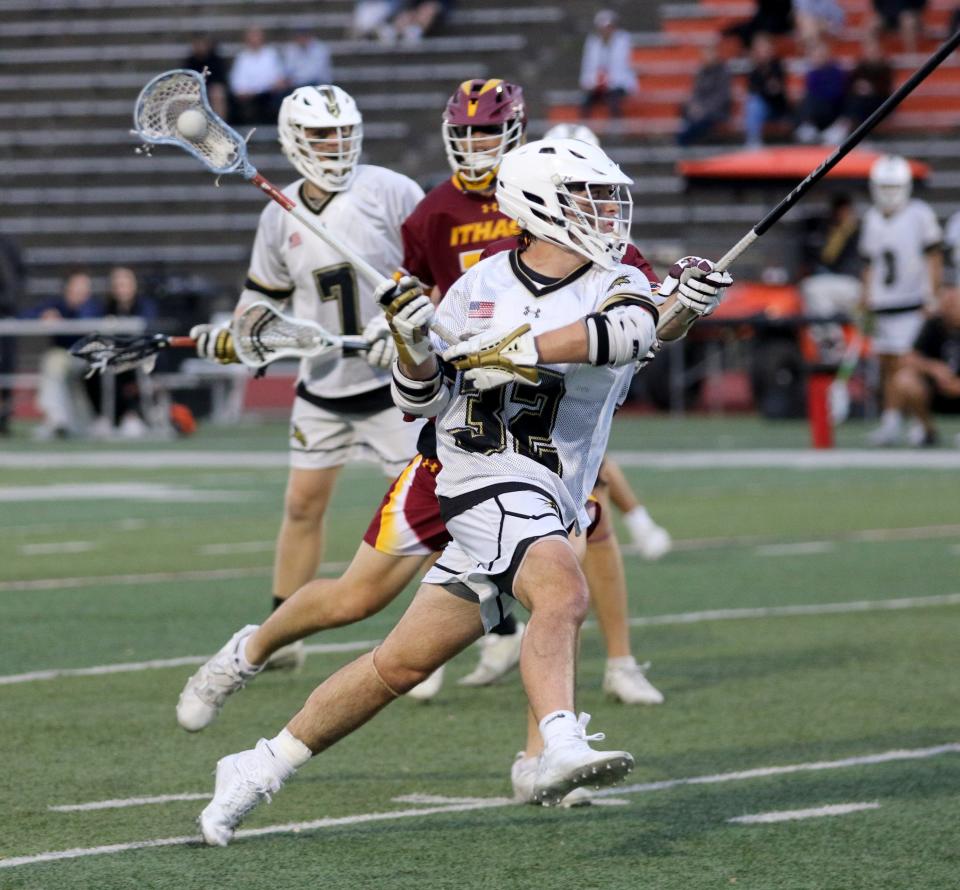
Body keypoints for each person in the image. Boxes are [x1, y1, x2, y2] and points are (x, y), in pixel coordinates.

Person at [195, 137, 733, 846]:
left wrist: (682, 310)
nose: (608, 213)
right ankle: (556, 747)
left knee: (400, 663)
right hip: (480, 475)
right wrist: (415, 341)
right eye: (589, 198)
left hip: (551, 486)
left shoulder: (617, 277)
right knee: (565, 593)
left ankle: (258, 764)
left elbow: (634, 334)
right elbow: (420, 397)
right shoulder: (479, 286)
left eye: (609, 198)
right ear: (540, 207)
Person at [190, 84, 425, 668]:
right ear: (296, 139)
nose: (336, 144)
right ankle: (282, 634)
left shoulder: (392, 191)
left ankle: (480, 633)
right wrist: (235, 334)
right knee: (301, 504)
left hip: (397, 386)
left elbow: (436, 278)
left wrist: (401, 331)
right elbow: (261, 300)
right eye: (323, 134)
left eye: (343, 132)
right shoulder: (278, 214)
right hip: (323, 383)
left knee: (428, 516)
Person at [859, 155, 943, 446]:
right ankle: (891, 421)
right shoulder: (871, 217)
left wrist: (933, 295)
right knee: (887, 366)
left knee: (908, 367)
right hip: (883, 305)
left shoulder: (919, 213)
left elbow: (933, 256)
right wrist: (866, 297)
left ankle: (921, 424)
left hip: (912, 304)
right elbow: (870, 264)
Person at [26, 269, 105, 439]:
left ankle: (98, 420)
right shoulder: (56, 304)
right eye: (76, 287)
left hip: (89, 360)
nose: (80, 292)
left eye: (84, 288)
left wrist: (73, 312)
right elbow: (26, 316)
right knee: (53, 360)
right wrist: (44, 316)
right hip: (64, 358)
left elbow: (87, 325)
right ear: (67, 288)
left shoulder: (93, 306)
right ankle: (56, 419)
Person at [884, 282, 960, 446]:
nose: (949, 308)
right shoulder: (934, 324)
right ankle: (926, 429)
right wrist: (934, 369)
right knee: (904, 378)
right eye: (946, 302)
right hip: (939, 389)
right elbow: (907, 357)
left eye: (954, 303)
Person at [103, 266, 158, 437]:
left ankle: (133, 416)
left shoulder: (144, 305)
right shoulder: (107, 307)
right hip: (115, 359)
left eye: (125, 284)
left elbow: (146, 331)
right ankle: (107, 418)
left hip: (143, 358)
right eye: (117, 285)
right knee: (95, 370)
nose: (121, 289)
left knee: (130, 369)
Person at [822, 34, 893, 144]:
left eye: (873, 49)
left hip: (879, 100)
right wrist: (858, 86)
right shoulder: (861, 66)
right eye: (868, 49)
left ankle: (845, 126)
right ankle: (847, 125)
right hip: (861, 100)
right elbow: (851, 83)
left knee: (860, 102)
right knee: (855, 99)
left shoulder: (885, 67)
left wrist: (871, 89)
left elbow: (886, 89)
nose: (871, 52)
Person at [579, 9, 638, 119]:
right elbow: (588, 66)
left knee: (613, 101)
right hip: (598, 84)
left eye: (608, 27)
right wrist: (590, 82)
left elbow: (622, 67)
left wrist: (608, 82)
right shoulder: (593, 43)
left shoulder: (623, 41)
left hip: (618, 84)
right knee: (585, 102)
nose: (606, 31)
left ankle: (616, 132)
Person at [676, 38, 732, 147]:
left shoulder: (723, 72)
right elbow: (695, 92)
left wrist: (704, 109)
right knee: (684, 110)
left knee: (689, 131)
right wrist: (694, 106)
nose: (706, 57)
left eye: (709, 54)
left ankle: (684, 147)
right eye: (704, 54)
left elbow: (722, 97)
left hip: (715, 112)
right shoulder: (701, 71)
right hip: (700, 111)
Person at [227, 26, 286, 125]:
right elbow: (237, 83)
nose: (254, 40)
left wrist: (261, 88)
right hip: (248, 98)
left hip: (268, 95)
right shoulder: (242, 57)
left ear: (262, 38)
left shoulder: (271, 55)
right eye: (252, 37)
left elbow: (278, 80)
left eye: (257, 37)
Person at [793, 39, 847, 144]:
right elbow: (811, 89)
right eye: (816, 54)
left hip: (832, 110)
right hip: (815, 111)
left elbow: (837, 93)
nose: (819, 57)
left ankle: (818, 129)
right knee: (806, 98)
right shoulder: (812, 73)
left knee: (811, 98)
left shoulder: (837, 71)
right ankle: (808, 127)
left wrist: (820, 93)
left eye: (821, 54)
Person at [743, 32, 791, 148]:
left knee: (755, 104)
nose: (762, 50)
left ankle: (753, 140)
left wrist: (766, 87)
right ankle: (753, 140)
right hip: (762, 107)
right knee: (754, 104)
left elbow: (776, 91)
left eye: (764, 47)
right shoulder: (755, 69)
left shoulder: (777, 65)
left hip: (776, 107)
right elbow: (754, 90)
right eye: (759, 47)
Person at [0, 233, 25, 435]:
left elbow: (20, 277)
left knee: (7, 366)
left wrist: (11, 301)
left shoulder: (8, 244)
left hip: (6, 313)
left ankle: (4, 416)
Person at [182, 34, 230, 120]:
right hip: (194, 90)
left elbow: (220, 81)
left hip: (211, 90)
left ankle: (220, 125)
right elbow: (185, 80)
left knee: (217, 93)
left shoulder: (216, 60)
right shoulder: (190, 61)